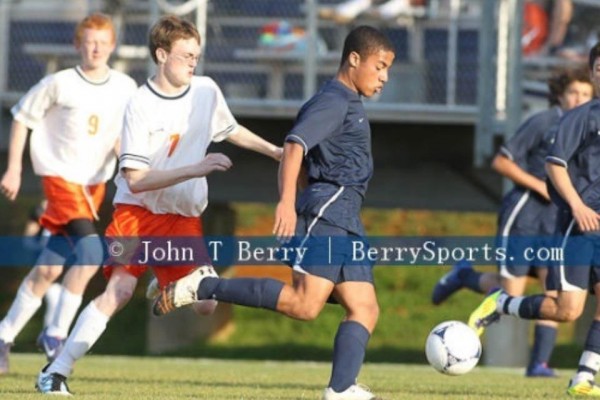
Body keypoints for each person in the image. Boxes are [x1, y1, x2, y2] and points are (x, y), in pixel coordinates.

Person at [35, 15, 282, 395]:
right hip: (136, 215)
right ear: (162, 54)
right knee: (118, 291)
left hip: (182, 217)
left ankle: (160, 275)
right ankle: (55, 372)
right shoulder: (139, 104)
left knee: (205, 303)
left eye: (196, 56)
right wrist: (197, 167)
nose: (192, 63)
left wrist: (275, 151)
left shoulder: (206, 89)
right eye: (185, 56)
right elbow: (135, 178)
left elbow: (230, 129)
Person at [151, 25, 395, 400]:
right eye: (379, 67)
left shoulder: (350, 103)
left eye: (388, 70)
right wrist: (287, 203)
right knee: (304, 305)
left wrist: (299, 198)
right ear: (354, 59)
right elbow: (294, 146)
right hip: (329, 212)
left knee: (364, 307)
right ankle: (203, 284)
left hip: (346, 216)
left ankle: (341, 389)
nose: (384, 77)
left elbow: (308, 157)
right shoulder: (333, 101)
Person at [431, 65, 594, 377]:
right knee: (512, 292)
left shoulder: (588, 127)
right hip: (524, 217)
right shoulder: (544, 122)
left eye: (585, 94)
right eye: (573, 92)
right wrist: (542, 186)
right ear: (560, 94)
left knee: (555, 291)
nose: (579, 98)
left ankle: (539, 363)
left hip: (558, 222)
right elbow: (501, 161)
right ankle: (464, 276)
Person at [0, 13, 137, 374]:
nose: (95, 48)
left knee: (47, 270)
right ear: (77, 45)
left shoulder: (125, 87)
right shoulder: (58, 83)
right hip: (61, 180)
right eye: (88, 41)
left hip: (93, 185)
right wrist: (14, 168)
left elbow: (122, 134)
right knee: (91, 254)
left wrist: (128, 161)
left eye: (102, 43)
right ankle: (56, 333)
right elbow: (21, 117)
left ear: (112, 46)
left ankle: (3, 336)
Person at [468, 42, 600, 396]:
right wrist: (578, 206)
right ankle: (502, 302)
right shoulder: (581, 117)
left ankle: (583, 378)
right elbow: (553, 165)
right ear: (592, 73)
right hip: (577, 226)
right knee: (567, 310)